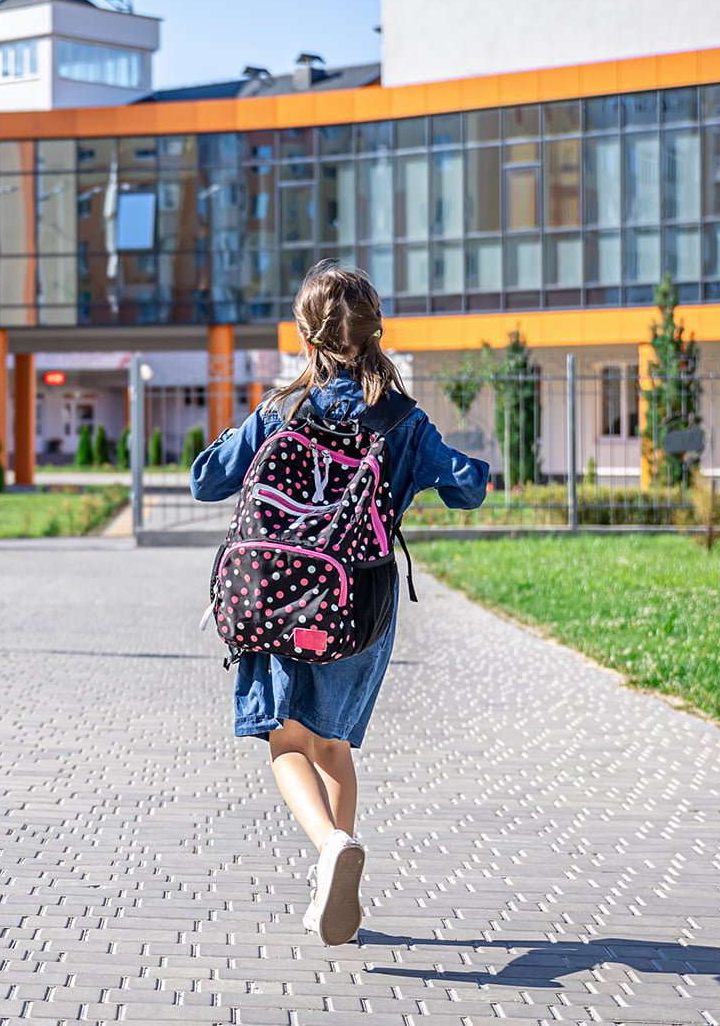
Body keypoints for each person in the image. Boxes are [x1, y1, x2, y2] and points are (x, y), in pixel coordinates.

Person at [189, 259, 489, 945]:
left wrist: (251, 428)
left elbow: (207, 480)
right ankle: (338, 863)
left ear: (305, 335)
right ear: (376, 330)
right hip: (356, 606)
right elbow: (466, 488)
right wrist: (462, 470)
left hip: (274, 594)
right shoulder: (404, 420)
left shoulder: (280, 409)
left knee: (283, 739)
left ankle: (330, 848)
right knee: (330, 743)